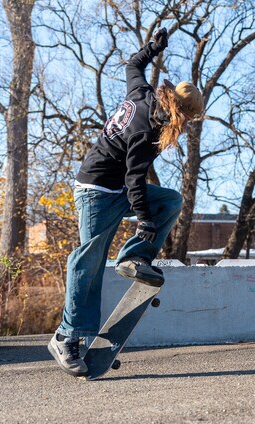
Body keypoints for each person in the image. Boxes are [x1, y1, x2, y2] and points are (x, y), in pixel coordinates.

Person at [48, 28, 203, 376]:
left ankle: (134, 256)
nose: (187, 127)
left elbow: (134, 64)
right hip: (96, 192)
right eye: (188, 120)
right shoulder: (147, 130)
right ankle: (66, 336)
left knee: (171, 201)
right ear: (179, 112)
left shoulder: (143, 91)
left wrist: (152, 48)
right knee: (88, 260)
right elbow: (135, 179)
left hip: (116, 188)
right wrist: (144, 220)